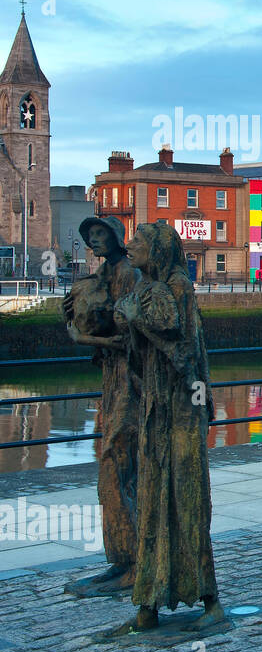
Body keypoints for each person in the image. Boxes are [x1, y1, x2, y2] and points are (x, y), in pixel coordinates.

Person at [106, 221, 223, 635]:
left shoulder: (177, 288)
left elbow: (182, 346)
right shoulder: (149, 288)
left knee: (188, 499)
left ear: (156, 248)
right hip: (157, 407)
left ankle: (209, 599)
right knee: (155, 499)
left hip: (183, 408)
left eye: (137, 241)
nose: (130, 246)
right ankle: (148, 605)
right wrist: (128, 320)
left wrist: (136, 315)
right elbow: (138, 341)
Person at [62, 216, 139, 594]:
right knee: (112, 469)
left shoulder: (128, 274)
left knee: (118, 465)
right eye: (89, 237)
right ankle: (120, 558)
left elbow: (130, 340)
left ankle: (134, 561)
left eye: (99, 235)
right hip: (112, 379)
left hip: (130, 383)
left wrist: (83, 339)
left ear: (116, 238)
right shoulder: (104, 274)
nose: (93, 242)